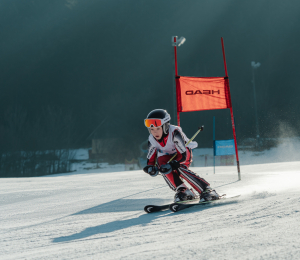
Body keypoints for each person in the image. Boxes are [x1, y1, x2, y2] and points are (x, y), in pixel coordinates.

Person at [143, 109, 219, 202]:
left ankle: (207, 189)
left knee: (180, 167)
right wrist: (150, 168)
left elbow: (182, 156)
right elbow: (150, 160)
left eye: (158, 128)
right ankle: (183, 190)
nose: (155, 132)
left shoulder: (174, 132)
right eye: (152, 129)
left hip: (183, 153)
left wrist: (172, 164)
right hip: (168, 156)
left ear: (165, 126)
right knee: (162, 165)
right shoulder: (152, 139)